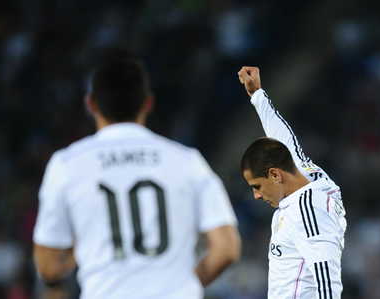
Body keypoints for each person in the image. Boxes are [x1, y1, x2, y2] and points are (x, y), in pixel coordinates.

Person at [32, 49, 241, 299]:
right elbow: (227, 248)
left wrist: (82, 246)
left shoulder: (66, 164)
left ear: (91, 104)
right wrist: (185, 286)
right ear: (148, 102)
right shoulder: (187, 161)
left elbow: (48, 267)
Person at [238, 66, 347, 298]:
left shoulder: (309, 209)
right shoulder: (303, 171)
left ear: (275, 175)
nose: (257, 196)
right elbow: (281, 135)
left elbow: (328, 280)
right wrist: (256, 94)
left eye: (257, 186)